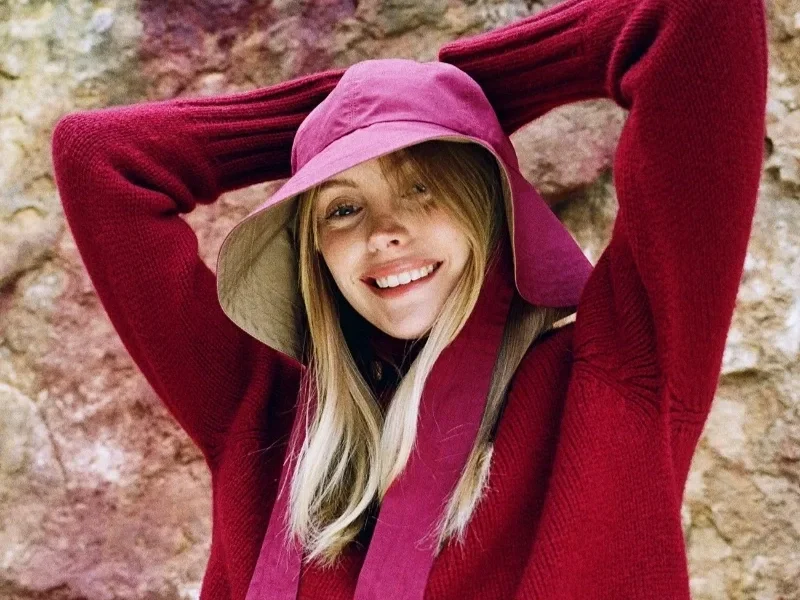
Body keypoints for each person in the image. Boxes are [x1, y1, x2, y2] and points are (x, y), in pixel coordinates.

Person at [50, 0, 768, 597]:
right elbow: (98, 160)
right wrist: (339, 112)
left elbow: (698, 17)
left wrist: (469, 89)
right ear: (317, 254)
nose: (386, 234)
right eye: (341, 209)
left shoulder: (616, 375)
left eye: (424, 187)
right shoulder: (261, 421)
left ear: (487, 204)